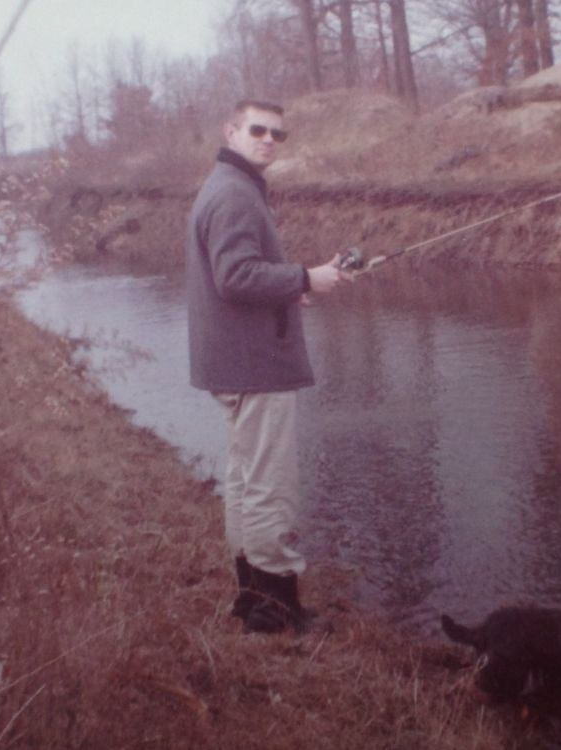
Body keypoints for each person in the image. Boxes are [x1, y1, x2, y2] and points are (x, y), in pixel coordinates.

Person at [185, 99, 351, 634]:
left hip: (236, 364)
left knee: (243, 481)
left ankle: (252, 599)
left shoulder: (226, 185)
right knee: (268, 487)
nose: (269, 141)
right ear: (230, 130)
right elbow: (235, 276)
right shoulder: (235, 194)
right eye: (258, 130)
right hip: (255, 368)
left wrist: (289, 290)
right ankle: (277, 611)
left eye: (279, 134)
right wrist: (304, 278)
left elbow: (235, 280)